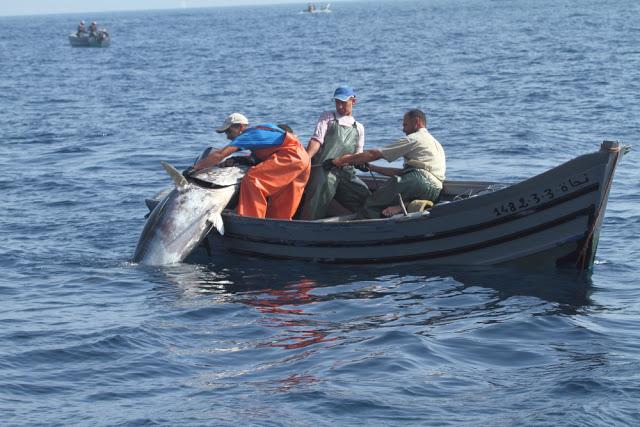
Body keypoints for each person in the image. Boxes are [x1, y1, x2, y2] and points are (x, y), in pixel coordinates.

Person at [192, 113, 311, 220]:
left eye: (228, 131)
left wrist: (195, 168)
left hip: (291, 157)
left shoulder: (248, 135)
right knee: (283, 197)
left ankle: (251, 220)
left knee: (252, 180)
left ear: (239, 127)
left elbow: (220, 155)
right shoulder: (264, 130)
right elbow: (265, 153)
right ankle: (280, 227)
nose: (228, 137)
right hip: (303, 158)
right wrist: (237, 160)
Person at [331, 108, 445, 218]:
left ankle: (363, 231)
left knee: (372, 203)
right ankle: (400, 208)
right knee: (388, 200)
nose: (403, 130)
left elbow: (374, 154)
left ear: (416, 122)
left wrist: (341, 160)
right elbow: (405, 173)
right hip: (435, 191)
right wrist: (372, 168)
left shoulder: (414, 138)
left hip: (418, 181)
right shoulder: (435, 143)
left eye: (405, 125)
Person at [298, 86, 371, 220]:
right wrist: (306, 159)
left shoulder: (359, 128)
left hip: (346, 173)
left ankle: (358, 219)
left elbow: (358, 155)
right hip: (324, 169)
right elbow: (316, 141)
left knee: (364, 193)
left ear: (353, 101)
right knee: (320, 192)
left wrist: (362, 163)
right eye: (337, 102)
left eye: (343, 102)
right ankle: (306, 224)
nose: (339, 106)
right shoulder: (327, 117)